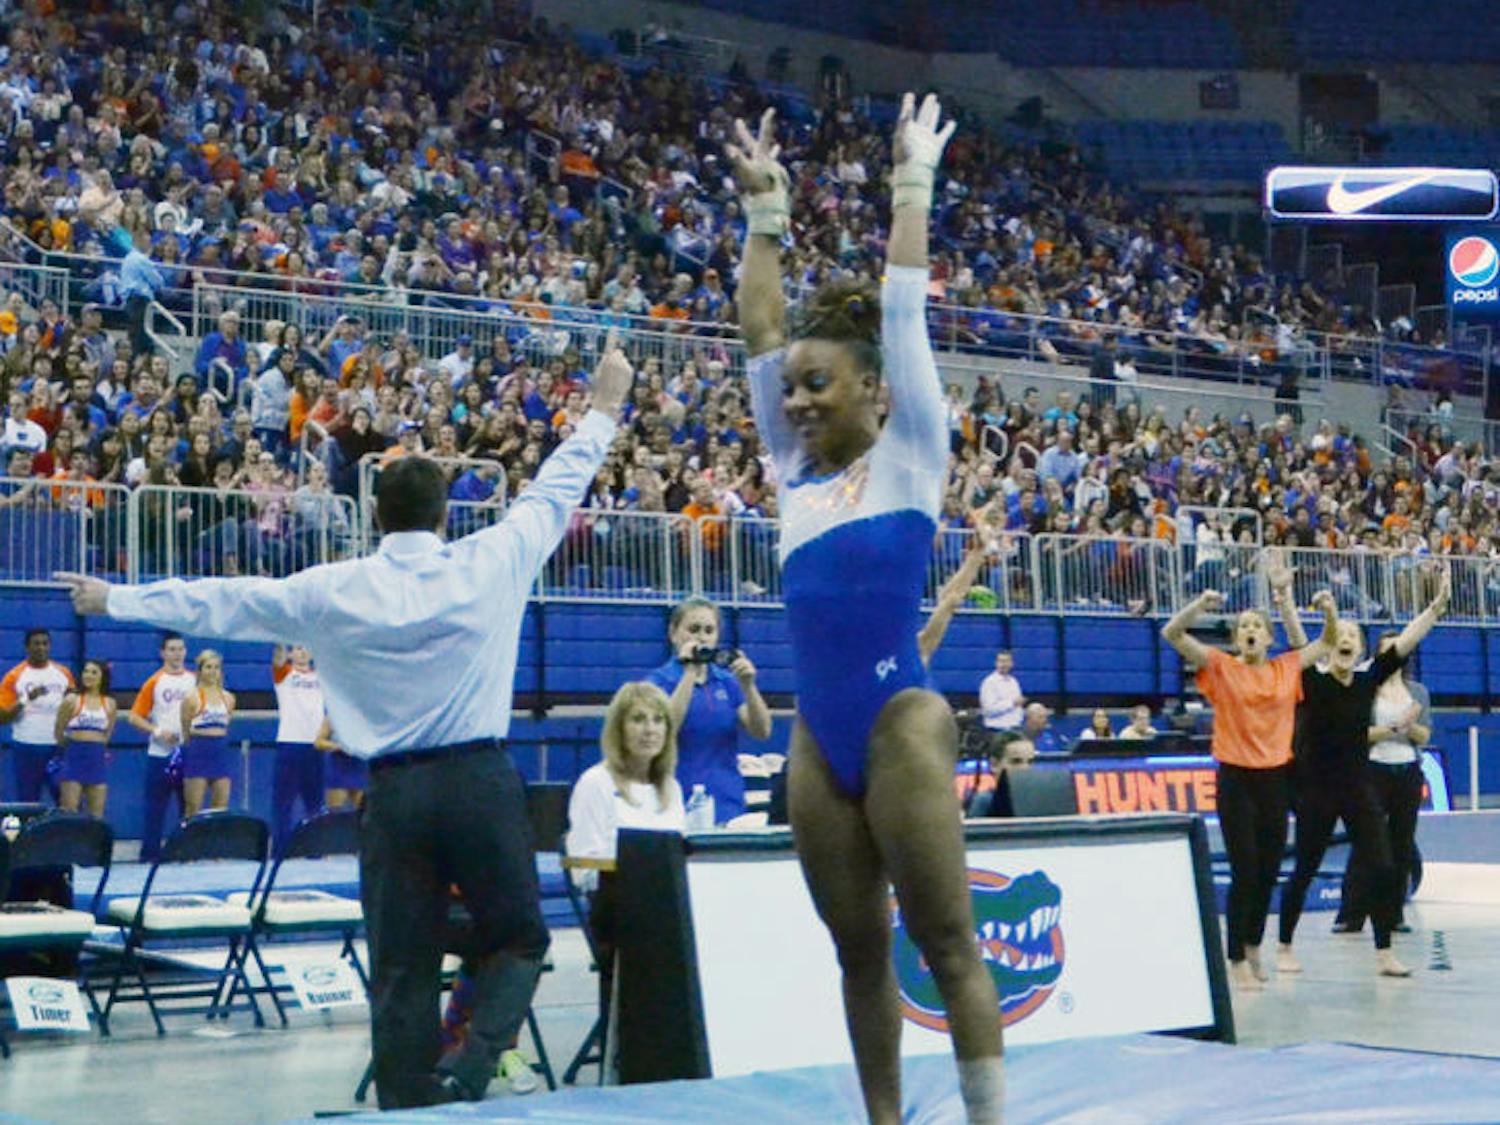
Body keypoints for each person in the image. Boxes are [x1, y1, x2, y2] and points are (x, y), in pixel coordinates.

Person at [58, 344, 635, 1109]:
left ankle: (406, 1101)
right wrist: (601, 407)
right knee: (520, 936)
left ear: (373, 513)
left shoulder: (331, 590)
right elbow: (558, 484)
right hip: (478, 781)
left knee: (401, 963)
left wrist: (117, 600)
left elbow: (224, 599)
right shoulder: (494, 557)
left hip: (391, 794)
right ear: (443, 514)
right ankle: (470, 1067)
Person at [729, 97, 1005, 1124]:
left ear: (873, 393)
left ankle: (988, 1118)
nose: (796, 400)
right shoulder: (790, 472)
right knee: (856, 950)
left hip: (901, 726)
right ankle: (884, 1121)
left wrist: (911, 185)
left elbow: (902, 310)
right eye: (791, 389)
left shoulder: (910, 454)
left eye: (818, 386)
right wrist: (764, 216)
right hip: (819, 739)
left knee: (946, 942)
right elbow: (761, 324)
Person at [1275, 566, 1449, 978]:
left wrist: (1435, 608)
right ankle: (1284, 944)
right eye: (1342, 636)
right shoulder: (1315, 682)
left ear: (1359, 649)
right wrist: (1283, 597)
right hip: (1316, 791)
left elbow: (1405, 643)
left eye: (1354, 636)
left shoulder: (1368, 680)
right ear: (1331, 645)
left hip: (1357, 787)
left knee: (1383, 864)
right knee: (1304, 867)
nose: (1347, 640)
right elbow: (1300, 640)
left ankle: (1384, 950)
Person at [1161, 583, 1337, 991]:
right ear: (1238, 637)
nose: (1251, 631)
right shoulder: (1222, 666)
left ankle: (1255, 945)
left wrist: (1327, 608)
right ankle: (1235, 955)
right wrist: (1199, 606)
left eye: (1258, 626)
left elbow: (1327, 643)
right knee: (1244, 869)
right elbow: (1172, 633)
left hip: (1275, 778)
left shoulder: (1285, 668)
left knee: (1268, 869)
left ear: (1269, 638)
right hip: (1236, 777)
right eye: (1245, 627)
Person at [565, 682, 686, 1027]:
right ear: (619, 728)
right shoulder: (595, 783)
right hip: (616, 911)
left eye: (658, 720)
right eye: (638, 719)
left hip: (669, 908)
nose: (650, 729)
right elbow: (584, 867)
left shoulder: (672, 788)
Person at [1337, 633, 1433, 935]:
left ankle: (1394, 915)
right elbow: (1358, 733)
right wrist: (1394, 727)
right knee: (1367, 841)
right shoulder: (1366, 687)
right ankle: (1350, 915)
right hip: (1373, 770)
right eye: (1389, 649)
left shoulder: (1417, 692)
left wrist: (1409, 726)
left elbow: (1424, 736)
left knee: (1402, 843)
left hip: (1407, 771)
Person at [645, 596, 772, 825]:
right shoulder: (658, 681)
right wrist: (689, 673)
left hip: (727, 801)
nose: (701, 637)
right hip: (676, 800)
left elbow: (762, 731)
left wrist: (749, 686)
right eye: (693, 629)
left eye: (709, 630)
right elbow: (664, 731)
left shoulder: (727, 681)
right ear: (673, 634)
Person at [125, 634, 196, 861]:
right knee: (155, 809)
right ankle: (149, 856)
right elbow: (135, 717)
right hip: (160, 755)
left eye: (180, 649)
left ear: (186, 652)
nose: (177, 654)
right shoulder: (154, 682)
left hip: (189, 754)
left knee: (189, 808)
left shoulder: (195, 682)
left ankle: (186, 854)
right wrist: (157, 732)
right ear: (162, 653)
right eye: (172, 649)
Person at [0, 629, 74, 802]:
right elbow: (3, 718)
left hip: (58, 747)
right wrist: (26, 699)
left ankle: (67, 830)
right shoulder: (14, 676)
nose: (41, 648)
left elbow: (74, 708)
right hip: (27, 746)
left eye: (45, 643)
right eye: (36, 644)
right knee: (28, 800)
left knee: (66, 798)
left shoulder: (64, 674)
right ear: (27, 647)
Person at [271, 644, 327, 844]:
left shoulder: (322, 676)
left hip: (315, 745)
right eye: (297, 649)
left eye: (306, 648)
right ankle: (280, 848)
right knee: (284, 802)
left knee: (315, 802)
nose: (302, 653)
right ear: (291, 653)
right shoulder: (284, 674)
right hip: (290, 743)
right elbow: (278, 656)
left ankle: (315, 848)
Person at [54, 658, 117, 817]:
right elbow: (58, 732)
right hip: (74, 758)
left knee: (96, 815)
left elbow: (107, 734)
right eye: (86, 671)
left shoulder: (109, 703)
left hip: (96, 760)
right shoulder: (72, 700)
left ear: (103, 677)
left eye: (94, 672)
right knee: (69, 813)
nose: (88, 675)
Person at [179, 649, 237, 817]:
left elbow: (227, 724)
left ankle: (214, 842)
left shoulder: (229, 698)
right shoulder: (191, 698)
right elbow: (185, 729)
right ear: (200, 670)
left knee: (220, 807)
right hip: (198, 752)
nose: (213, 671)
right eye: (208, 667)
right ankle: (190, 842)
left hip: (220, 753)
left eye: (216, 667)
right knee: (193, 807)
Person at [315, 717, 367, 810]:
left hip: (359, 765)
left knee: (364, 811)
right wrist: (339, 747)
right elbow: (319, 743)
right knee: (335, 813)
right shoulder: (333, 716)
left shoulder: (363, 716)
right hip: (338, 767)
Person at [978, 651, 1024, 733]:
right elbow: (989, 710)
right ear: (996, 663)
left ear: (1011, 663)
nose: (1004, 664)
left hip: (1015, 728)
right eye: (1001, 661)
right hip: (997, 730)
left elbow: (1017, 706)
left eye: (1007, 661)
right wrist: (1012, 703)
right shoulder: (990, 682)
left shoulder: (1014, 681)